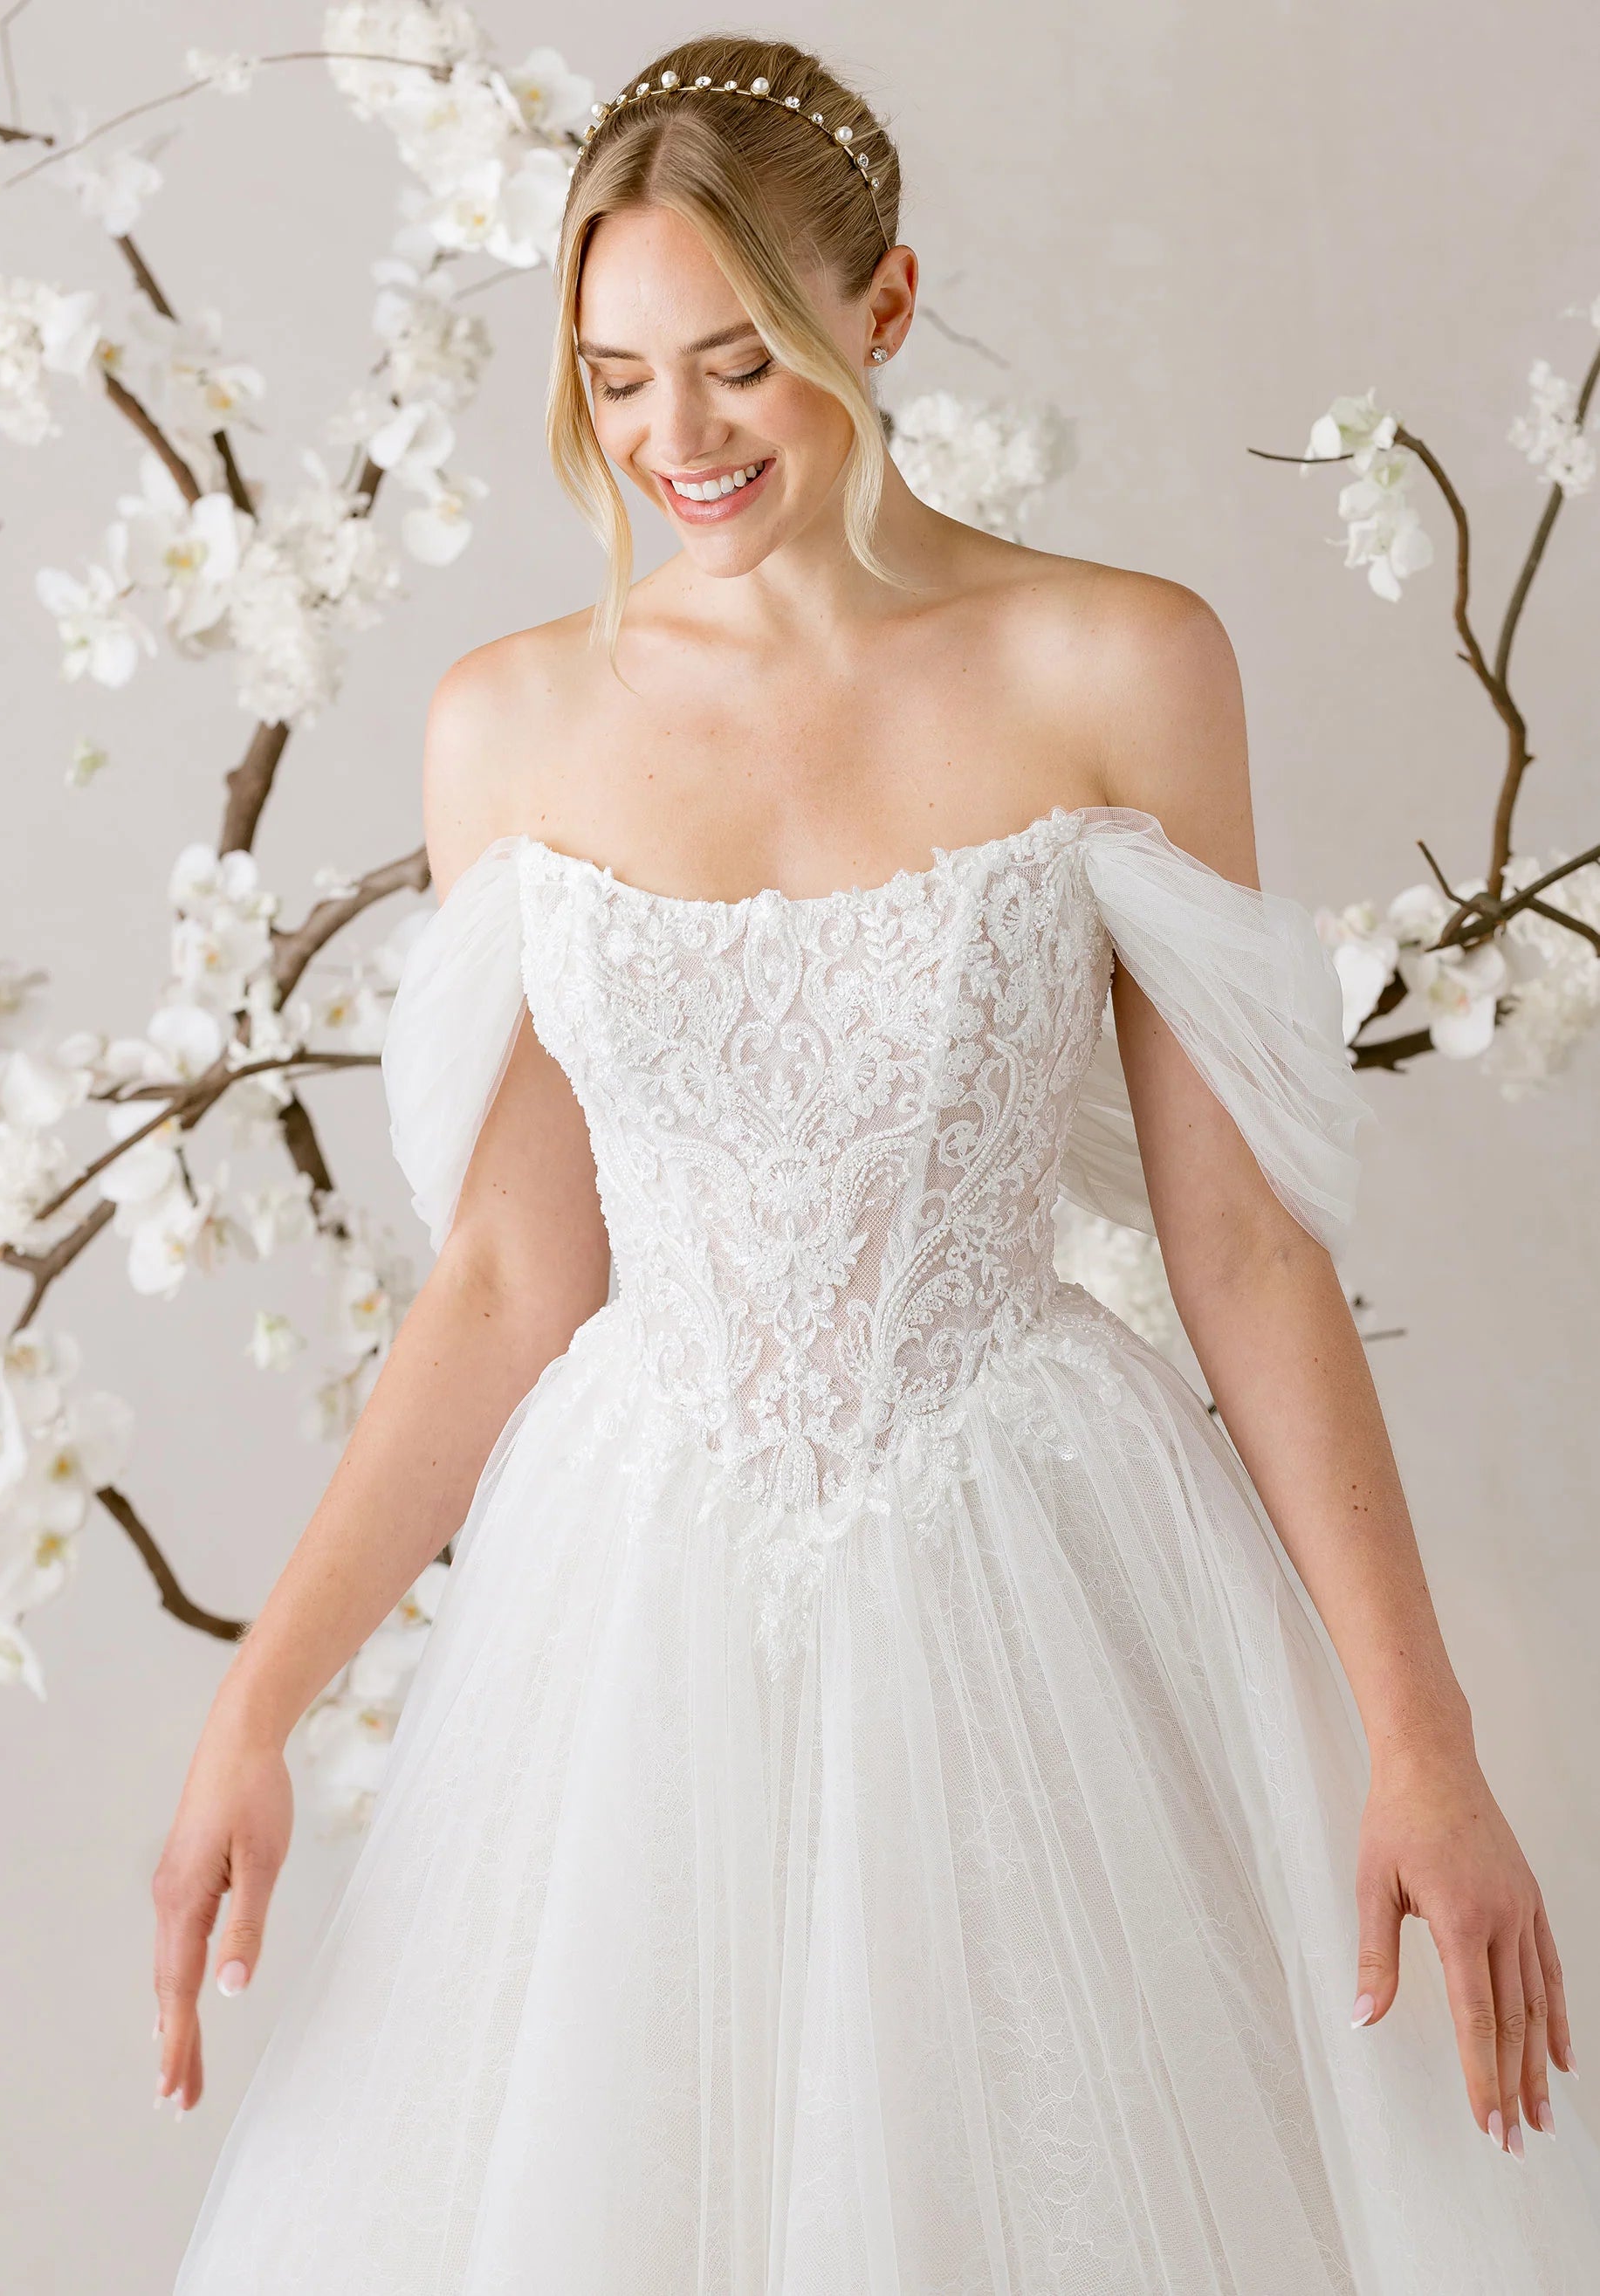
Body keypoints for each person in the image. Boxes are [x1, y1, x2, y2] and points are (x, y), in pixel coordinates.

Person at [158, 33, 1600, 2294]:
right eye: (615, 378)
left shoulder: (1110, 660)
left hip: (1023, 1543)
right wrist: (254, 1705)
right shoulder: (508, 727)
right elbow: (508, 1284)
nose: (676, 440)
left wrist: (1420, 1744)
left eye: (735, 361)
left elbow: (1234, 1244)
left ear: (884, 313)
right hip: (631, 1595)